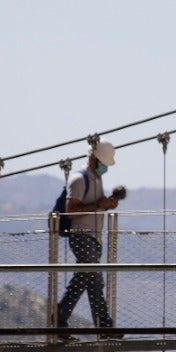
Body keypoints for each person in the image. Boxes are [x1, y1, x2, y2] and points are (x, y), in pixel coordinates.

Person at [55, 140, 124, 335]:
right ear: (94, 159)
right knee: (93, 280)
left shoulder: (96, 181)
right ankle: (104, 325)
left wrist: (106, 204)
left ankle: (59, 318)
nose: (105, 168)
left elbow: (95, 205)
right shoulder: (79, 179)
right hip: (81, 235)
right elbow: (71, 211)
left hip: (94, 238)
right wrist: (99, 205)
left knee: (84, 279)